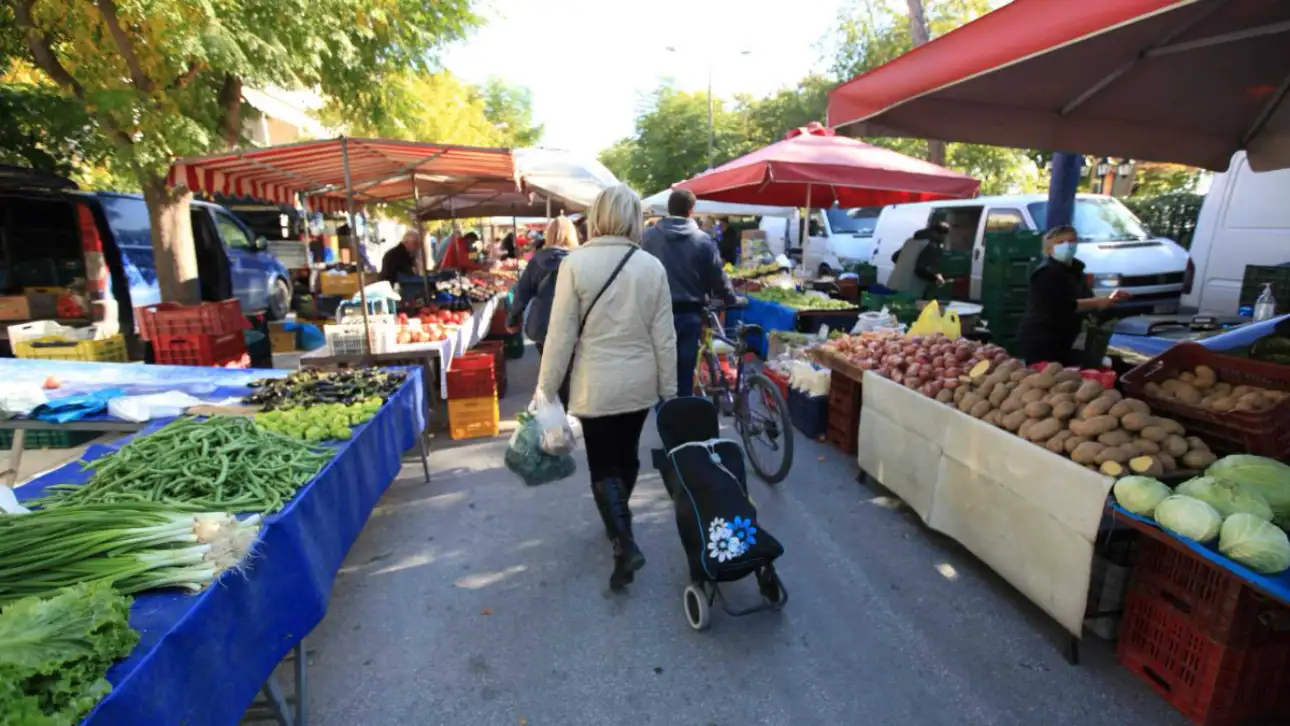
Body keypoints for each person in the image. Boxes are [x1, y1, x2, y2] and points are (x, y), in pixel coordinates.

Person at [537, 184, 676, 591]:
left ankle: (622, 536)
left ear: (597, 216)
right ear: (634, 218)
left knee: (601, 462)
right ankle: (621, 522)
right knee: (627, 455)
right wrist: (668, 391)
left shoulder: (575, 265)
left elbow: (560, 336)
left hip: (594, 382)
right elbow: (663, 337)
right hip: (639, 382)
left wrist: (545, 391)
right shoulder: (651, 266)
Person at [641, 188, 737, 398]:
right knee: (685, 373)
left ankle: (663, 416)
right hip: (690, 314)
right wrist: (730, 298)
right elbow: (717, 276)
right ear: (691, 210)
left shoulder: (648, 238)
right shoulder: (703, 240)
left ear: (668, 208)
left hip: (656, 313)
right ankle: (681, 416)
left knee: (658, 370)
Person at [1016, 224, 1131, 365]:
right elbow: (1060, 307)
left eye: (1071, 241)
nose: (1067, 245)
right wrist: (1097, 302)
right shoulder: (1045, 273)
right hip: (1044, 339)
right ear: (1050, 247)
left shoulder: (1076, 270)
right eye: (1061, 242)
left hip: (1067, 338)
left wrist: (1109, 299)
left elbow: (1086, 298)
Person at [508, 215, 580, 406]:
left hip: (543, 325)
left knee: (549, 370)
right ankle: (568, 407)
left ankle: (556, 411)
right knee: (571, 371)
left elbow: (521, 293)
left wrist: (513, 319)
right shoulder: (579, 260)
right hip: (571, 324)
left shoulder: (536, 261)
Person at [886, 222, 948, 298]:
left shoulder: (910, 241)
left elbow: (894, 257)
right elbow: (919, 269)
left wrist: (906, 265)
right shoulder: (930, 245)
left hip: (895, 284)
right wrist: (934, 279)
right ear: (941, 234)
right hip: (910, 289)